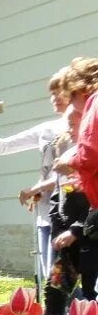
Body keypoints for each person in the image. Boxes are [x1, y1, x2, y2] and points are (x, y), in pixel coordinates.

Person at [0, 70, 69, 289]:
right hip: (46, 212)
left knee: (68, 284)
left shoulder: (85, 126)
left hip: (71, 215)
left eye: (60, 91)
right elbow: (2, 147)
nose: (54, 97)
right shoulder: (46, 129)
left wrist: (37, 187)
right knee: (50, 280)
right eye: (52, 93)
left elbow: (71, 173)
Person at [52, 57, 98, 300]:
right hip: (76, 230)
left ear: (81, 89)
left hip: (87, 231)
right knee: (60, 289)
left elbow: (90, 156)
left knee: (90, 292)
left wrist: (70, 164)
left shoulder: (94, 103)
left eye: (72, 98)